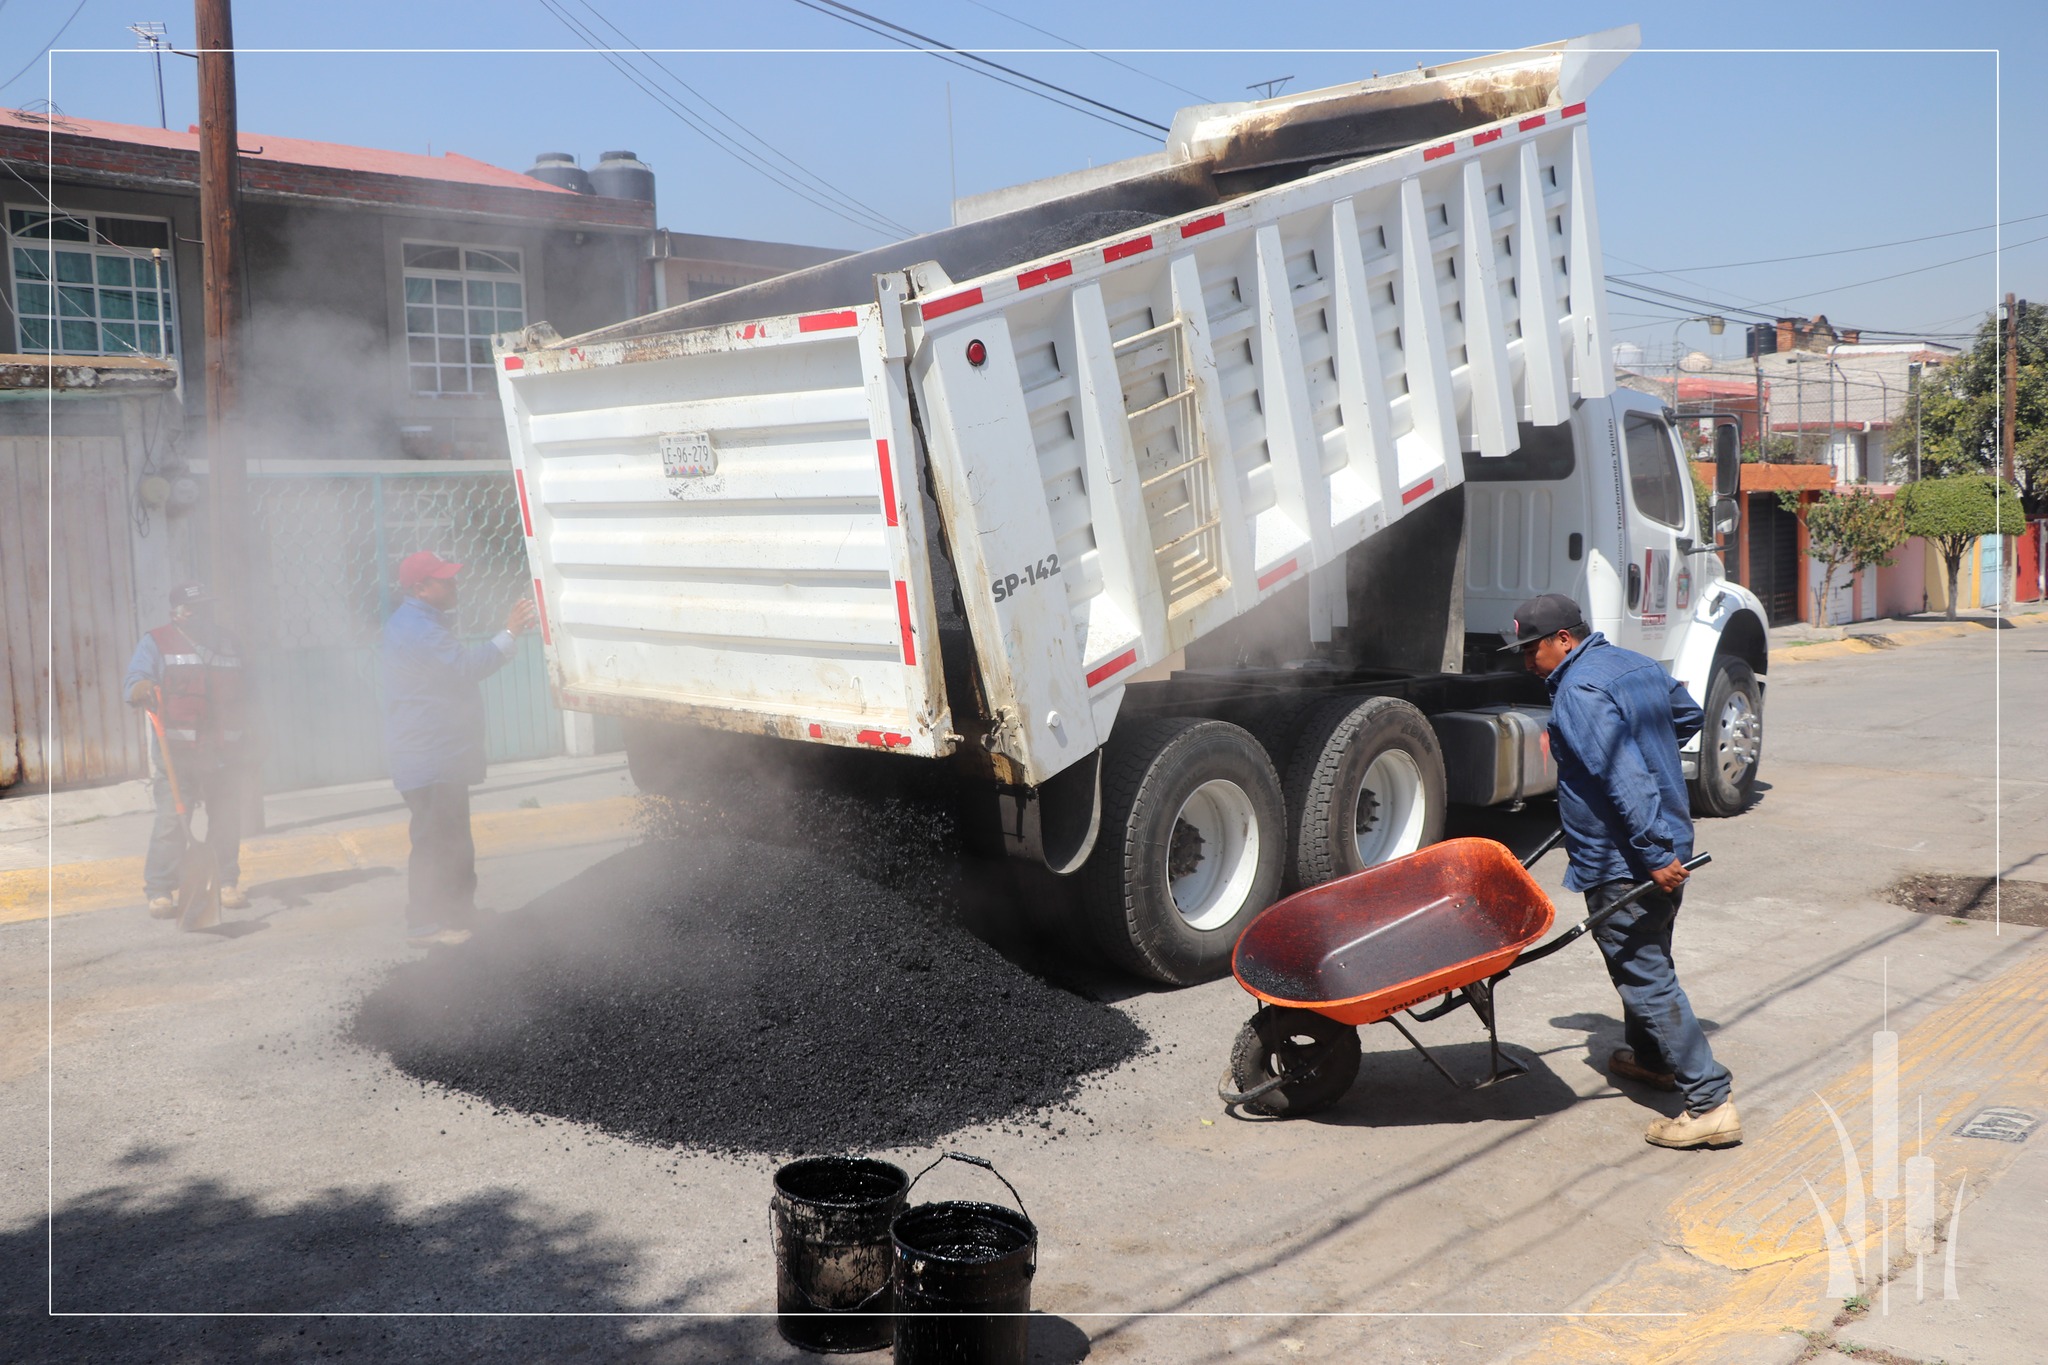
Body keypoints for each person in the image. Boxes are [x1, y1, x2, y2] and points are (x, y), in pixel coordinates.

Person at [1503, 592, 1741, 1150]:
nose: (1525, 662)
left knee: (1642, 971)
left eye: (1529, 649)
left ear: (1564, 639)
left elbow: (1625, 779)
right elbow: (1686, 716)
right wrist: (1656, 771)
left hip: (1627, 858)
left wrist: (1652, 852)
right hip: (1666, 844)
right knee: (1649, 951)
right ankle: (1656, 1060)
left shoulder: (1579, 693)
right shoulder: (1634, 664)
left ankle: (1708, 1101)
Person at [381, 551, 538, 947]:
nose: (454, 586)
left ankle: (458, 913)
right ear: (420, 588)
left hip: (441, 755)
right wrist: (509, 634)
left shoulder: (423, 621)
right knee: (435, 842)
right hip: (429, 755)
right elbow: (466, 667)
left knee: (453, 840)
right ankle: (423, 923)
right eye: (444, 581)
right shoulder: (419, 628)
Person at [125, 582, 249, 917]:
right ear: (177, 612)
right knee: (172, 820)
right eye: (194, 608)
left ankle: (225, 881)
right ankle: (160, 888)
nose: (202, 614)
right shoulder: (157, 642)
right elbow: (134, 681)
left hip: (224, 752)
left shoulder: (230, 643)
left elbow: (250, 693)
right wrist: (142, 687)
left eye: (207, 607)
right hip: (178, 752)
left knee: (225, 819)